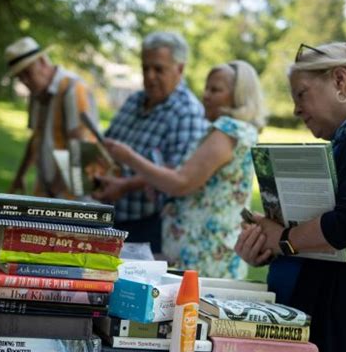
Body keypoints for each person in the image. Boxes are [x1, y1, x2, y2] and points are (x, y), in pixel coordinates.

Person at [235, 38, 346, 352]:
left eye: (301, 94)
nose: (297, 109)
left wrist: (284, 240)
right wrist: (268, 242)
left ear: (340, 81)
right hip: (338, 317)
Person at [103, 60, 267, 276]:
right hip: (207, 252)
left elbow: (181, 183)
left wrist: (129, 157)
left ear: (238, 96)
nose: (205, 95)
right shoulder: (238, 131)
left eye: (215, 90)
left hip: (204, 257)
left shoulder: (228, 130)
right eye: (206, 88)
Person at [93, 31, 207, 251]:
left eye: (158, 69)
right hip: (110, 216)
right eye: (145, 68)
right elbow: (108, 144)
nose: (150, 76)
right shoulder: (135, 100)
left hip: (149, 225)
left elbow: (179, 172)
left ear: (179, 69)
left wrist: (125, 186)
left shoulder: (187, 112)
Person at [5, 36, 98, 197]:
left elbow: (80, 144)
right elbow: (36, 138)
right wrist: (20, 176)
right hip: (47, 187)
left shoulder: (72, 87)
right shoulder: (37, 93)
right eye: (20, 77)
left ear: (42, 61)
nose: (25, 81)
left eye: (27, 73)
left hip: (73, 192)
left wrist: (55, 189)